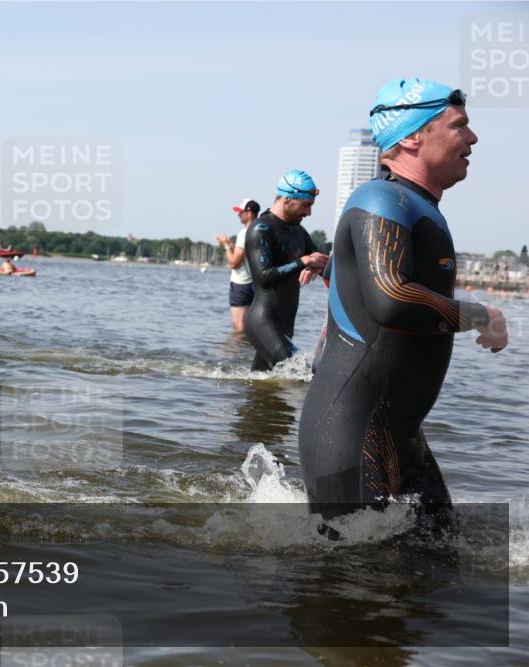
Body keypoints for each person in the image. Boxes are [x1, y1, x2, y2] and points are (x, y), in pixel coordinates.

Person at [299, 78, 507, 523]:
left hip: (400, 435)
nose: (472, 138)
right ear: (413, 136)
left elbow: (359, 286)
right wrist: (481, 315)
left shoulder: (413, 206)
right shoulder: (380, 198)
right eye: (459, 127)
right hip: (351, 435)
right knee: (353, 583)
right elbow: (391, 300)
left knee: (439, 565)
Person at [243, 170, 329, 370]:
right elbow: (264, 277)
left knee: (261, 387)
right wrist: (303, 262)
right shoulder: (261, 229)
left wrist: (315, 266)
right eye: (306, 205)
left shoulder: (299, 232)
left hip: (285, 326)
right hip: (262, 322)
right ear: (288, 199)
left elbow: (321, 260)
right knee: (297, 375)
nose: (309, 213)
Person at [215, 198, 260, 333]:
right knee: (252, 326)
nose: (238, 214)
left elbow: (234, 263)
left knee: (239, 328)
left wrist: (226, 246)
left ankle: (237, 353)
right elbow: (247, 254)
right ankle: (245, 353)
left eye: (241, 212)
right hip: (256, 284)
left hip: (241, 284)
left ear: (249, 213)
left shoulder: (244, 233)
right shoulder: (260, 230)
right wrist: (232, 245)